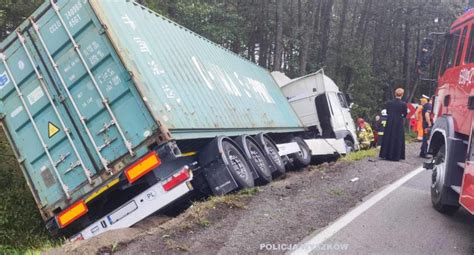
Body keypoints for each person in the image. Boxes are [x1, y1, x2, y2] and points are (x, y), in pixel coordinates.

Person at [379, 88, 408, 161]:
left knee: (388, 136)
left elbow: (388, 112)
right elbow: (405, 114)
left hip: (390, 121)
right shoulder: (403, 104)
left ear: (395, 94)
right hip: (398, 122)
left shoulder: (389, 103)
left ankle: (386, 154)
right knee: (397, 138)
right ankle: (396, 156)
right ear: (402, 94)